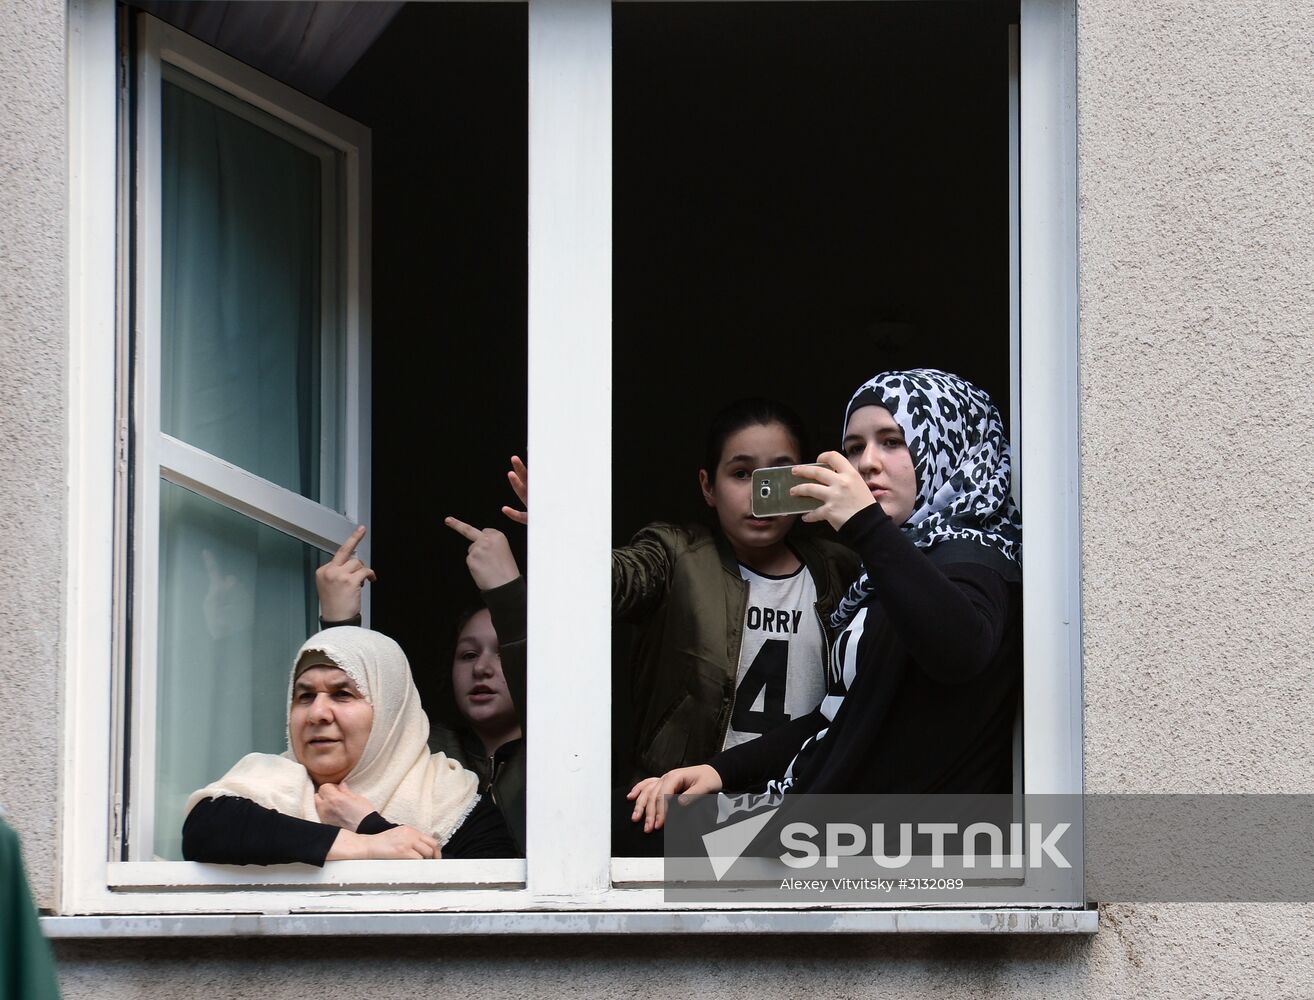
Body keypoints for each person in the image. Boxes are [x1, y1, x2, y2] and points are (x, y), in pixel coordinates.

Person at [629, 369, 1024, 831]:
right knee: (627, 822)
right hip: (825, 822)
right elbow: (840, 718)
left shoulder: (973, 557)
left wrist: (865, 525)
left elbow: (962, 649)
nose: (868, 463)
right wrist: (720, 770)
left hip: (890, 853)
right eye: (854, 448)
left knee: (627, 836)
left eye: (892, 441)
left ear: (950, 446)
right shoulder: (902, 564)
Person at [501, 397, 861, 784]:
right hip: (686, 805)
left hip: (804, 803)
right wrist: (564, 533)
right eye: (741, 474)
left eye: (778, 475)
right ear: (708, 487)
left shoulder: (838, 568)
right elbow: (612, 582)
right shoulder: (676, 556)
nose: (760, 492)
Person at [182, 626, 517, 864]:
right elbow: (204, 831)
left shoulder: (448, 799)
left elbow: (487, 896)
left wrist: (371, 824)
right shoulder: (269, 779)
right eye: (305, 696)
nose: (317, 713)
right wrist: (364, 846)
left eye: (343, 694)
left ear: (389, 710)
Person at [315, 522, 527, 854]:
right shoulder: (419, 752)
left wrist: (508, 593)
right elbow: (345, 729)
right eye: (468, 655)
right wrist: (338, 623)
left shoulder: (564, 753)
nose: (482, 668)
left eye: (503, 653)